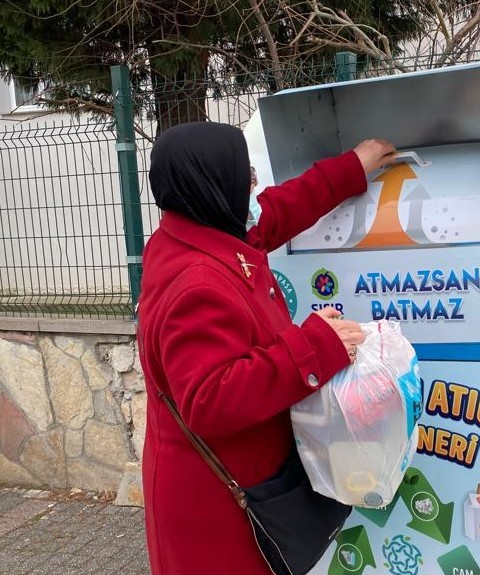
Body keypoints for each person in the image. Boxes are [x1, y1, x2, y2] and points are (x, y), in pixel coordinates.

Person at [137, 121, 397, 575]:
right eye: (245, 173)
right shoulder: (195, 284)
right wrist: (317, 344)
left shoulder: (196, 231)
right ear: (213, 184)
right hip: (217, 507)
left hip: (238, 484)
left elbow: (275, 213)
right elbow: (209, 398)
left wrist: (351, 168)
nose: (253, 183)